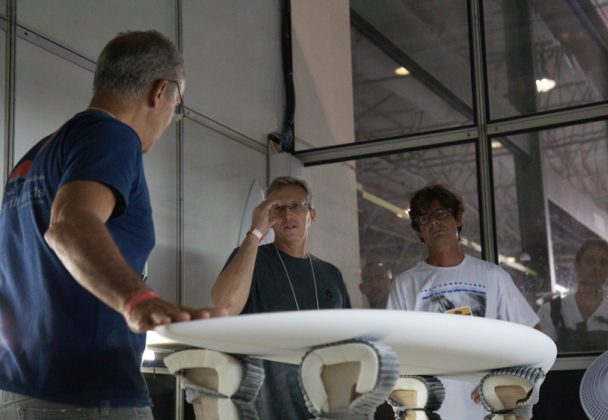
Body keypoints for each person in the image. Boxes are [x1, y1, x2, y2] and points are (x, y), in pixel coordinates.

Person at [0, 31, 225, 419]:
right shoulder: (113, 136)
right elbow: (69, 224)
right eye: (178, 103)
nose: (173, 115)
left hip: (17, 389)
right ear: (160, 92)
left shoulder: (37, 155)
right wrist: (138, 301)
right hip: (87, 396)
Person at [387, 183, 540, 420]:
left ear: (458, 219)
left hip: (489, 408)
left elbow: (533, 335)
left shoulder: (492, 276)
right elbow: (394, 353)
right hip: (430, 409)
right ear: (418, 230)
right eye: (425, 218)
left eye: (441, 214)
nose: (434, 222)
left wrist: (504, 382)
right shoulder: (406, 284)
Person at [211, 176, 351, 419]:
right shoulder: (251, 258)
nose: (288, 215)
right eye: (278, 208)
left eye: (297, 206)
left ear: (312, 215)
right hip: (265, 401)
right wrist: (255, 232)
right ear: (269, 216)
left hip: (324, 401)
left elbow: (348, 341)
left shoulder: (330, 273)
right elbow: (224, 306)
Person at [537, 238, 608, 352]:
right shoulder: (550, 312)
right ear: (577, 266)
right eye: (590, 260)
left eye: (604, 262)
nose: (597, 267)